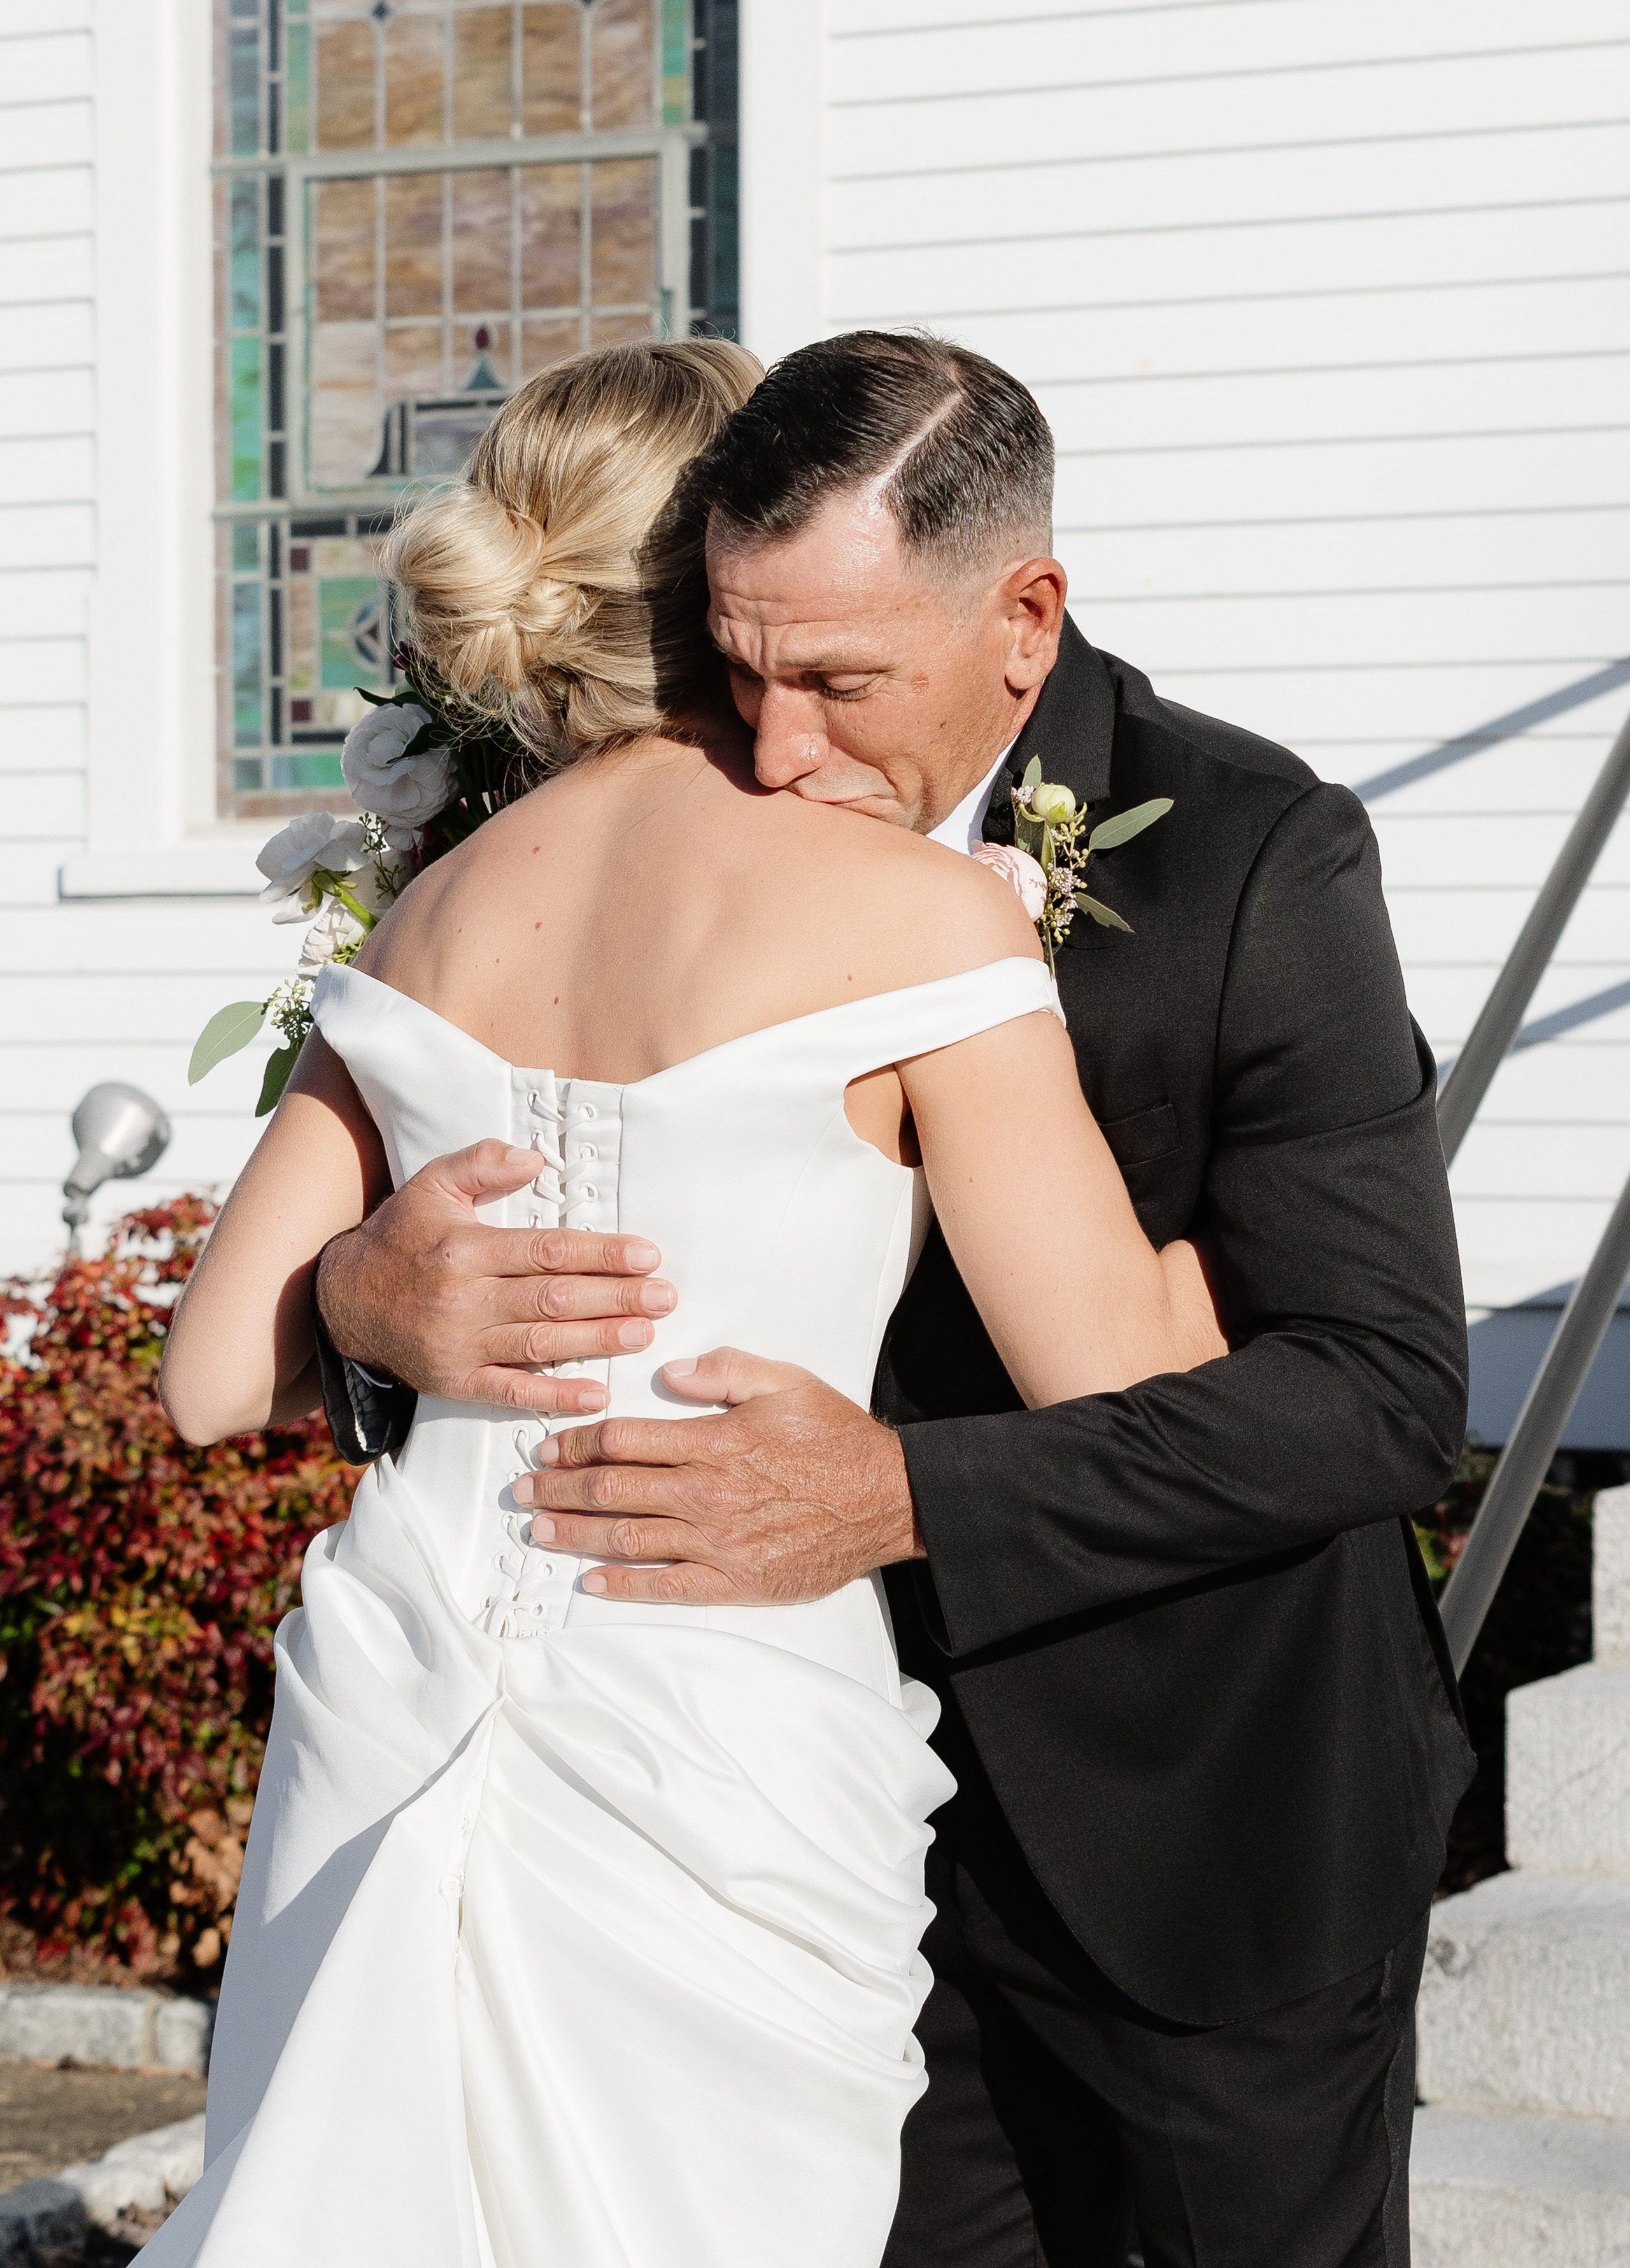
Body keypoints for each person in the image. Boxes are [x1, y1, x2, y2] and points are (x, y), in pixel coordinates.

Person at [315, 331, 1476, 2268]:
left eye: (843, 682)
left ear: (1024, 620)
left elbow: (1375, 1397)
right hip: (797, 1844)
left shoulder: (1258, 858)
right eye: (739, 664)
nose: (775, 749)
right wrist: (361, 1297)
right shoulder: (593, 831)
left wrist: (902, 1495)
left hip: (1199, 1840)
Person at [152, 335, 1226, 2268]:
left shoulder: (431, 909)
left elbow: (217, 1377)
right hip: (722, 1723)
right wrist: (1225, 1263)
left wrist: (362, 1297)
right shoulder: (921, 914)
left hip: (394, 1684)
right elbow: (1104, 1378)